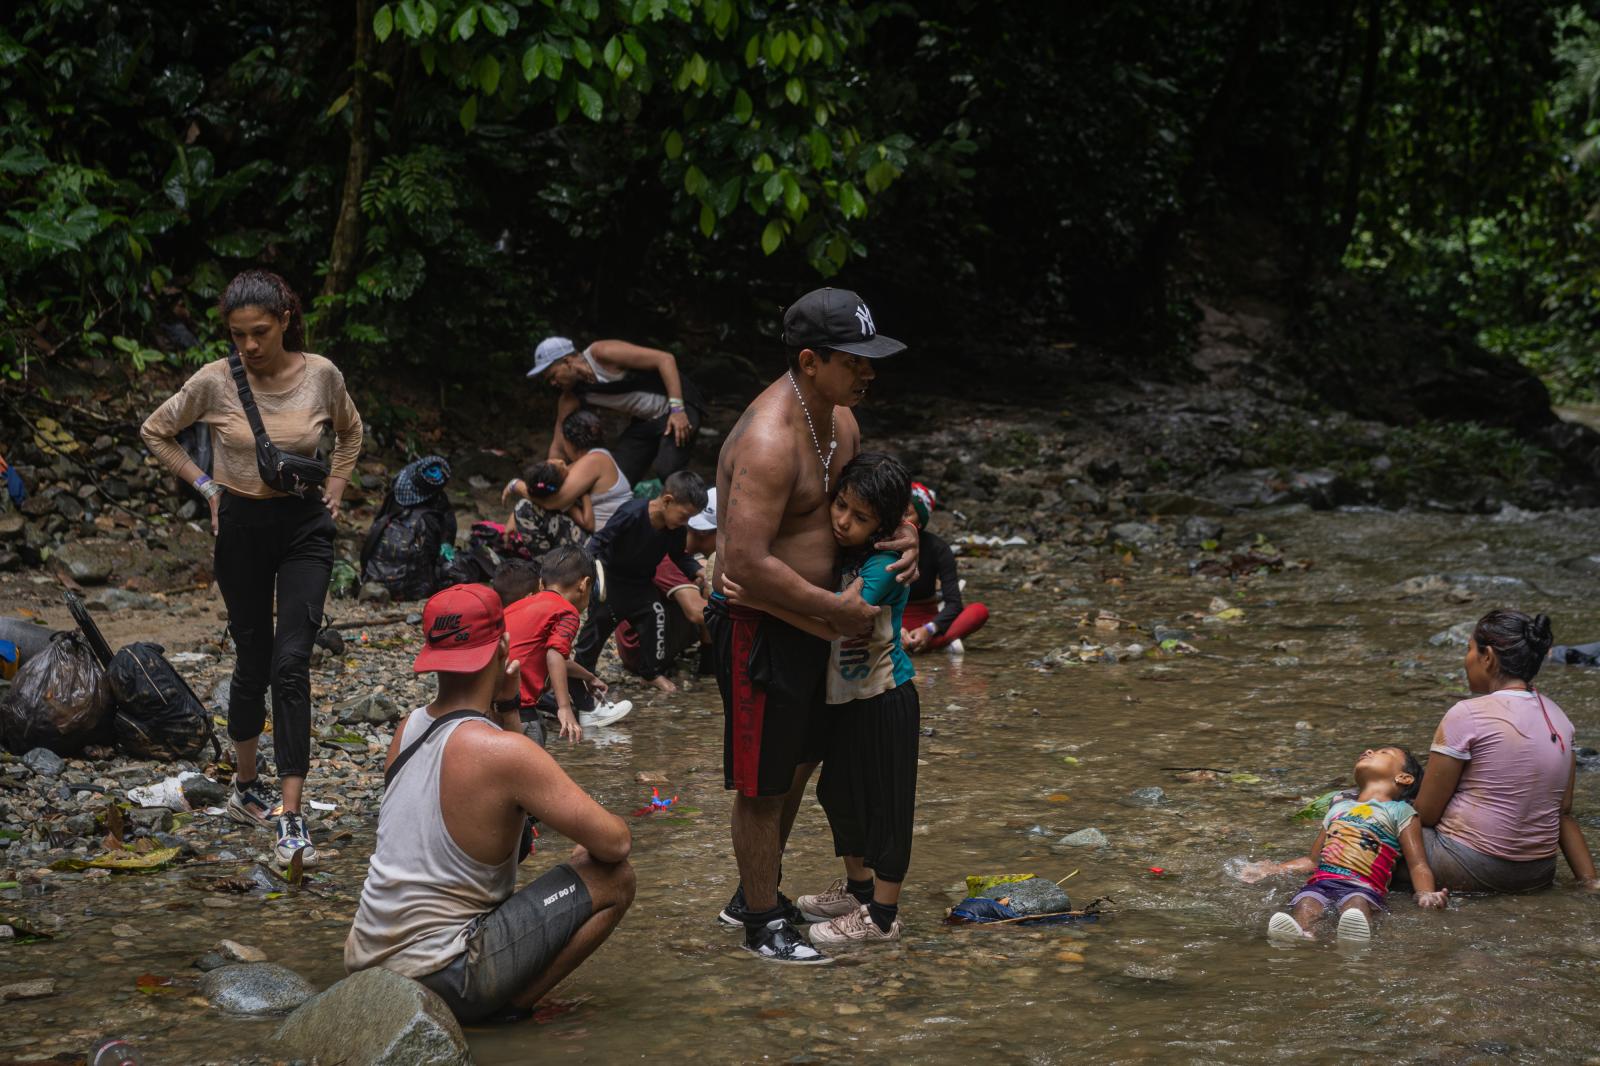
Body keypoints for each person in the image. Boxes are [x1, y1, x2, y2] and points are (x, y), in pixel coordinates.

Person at [708, 286, 919, 964]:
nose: (868, 372)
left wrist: (908, 534)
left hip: (819, 628)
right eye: (856, 361)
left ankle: (755, 891)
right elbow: (743, 561)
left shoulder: (841, 421)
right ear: (809, 360)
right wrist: (837, 611)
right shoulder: (770, 441)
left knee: (799, 768)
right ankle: (761, 924)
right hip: (763, 631)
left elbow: (869, 502)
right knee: (762, 782)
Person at [140, 269, 361, 867]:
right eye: (237, 336)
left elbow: (350, 433)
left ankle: (291, 816)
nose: (248, 347)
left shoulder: (321, 375)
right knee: (253, 656)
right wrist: (209, 487)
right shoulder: (213, 381)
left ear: (286, 320)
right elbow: (157, 431)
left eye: (259, 333)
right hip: (238, 530)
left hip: (304, 532)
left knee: (291, 664)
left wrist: (337, 485)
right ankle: (244, 788)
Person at [344, 583, 635, 1024]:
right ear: (503, 647)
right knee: (613, 878)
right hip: (446, 973)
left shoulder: (408, 728)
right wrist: (588, 851)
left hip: (367, 965)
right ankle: (511, 1011)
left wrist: (505, 708)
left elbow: (509, 822)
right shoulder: (503, 753)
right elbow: (616, 843)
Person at [727, 454, 922, 946]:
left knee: (888, 803)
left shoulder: (881, 565)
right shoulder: (854, 551)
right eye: (841, 507)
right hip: (850, 698)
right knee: (838, 792)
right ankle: (858, 889)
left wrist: (761, 601)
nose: (842, 521)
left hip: (885, 695)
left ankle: (881, 916)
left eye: (859, 519)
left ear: (884, 525)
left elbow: (840, 620)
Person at [1408, 609, 1599, 893]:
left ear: (1488, 657)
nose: (1466, 659)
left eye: (1469, 649)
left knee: (1360, 816)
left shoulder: (1466, 714)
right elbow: (1562, 812)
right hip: (1537, 873)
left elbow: (1427, 814)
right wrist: (1589, 880)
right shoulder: (1560, 719)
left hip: (1466, 864)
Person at [1245, 746, 1447, 942]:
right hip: (1322, 881)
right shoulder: (1338, 807)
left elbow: (1418, 864)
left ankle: (1355, 936)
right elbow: (1312, 860)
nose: (1369, 751)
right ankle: (1303, 933)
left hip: (1363, 886)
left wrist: (1426, 894)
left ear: (1403, 778)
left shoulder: (1401, 812)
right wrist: (1274, 869)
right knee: (1307, 902)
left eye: (1383, 752)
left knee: (1356, 905)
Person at [571, 470, 707, 696]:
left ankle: (650, 672)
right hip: (612, 580)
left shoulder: (675, 530)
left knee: (656, 616)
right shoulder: (632, 513)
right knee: (597, 628)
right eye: (684, 515)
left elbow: (679, 556)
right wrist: (585, 572)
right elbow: (600, 541)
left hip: (641, 584)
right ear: (667, 501)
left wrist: (697, 570)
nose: (686, 522)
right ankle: (581, 674)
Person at [527, 336, 706, 486]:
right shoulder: (571, 397)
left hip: (680, 404)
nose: (552, 383)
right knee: (618, 477)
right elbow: (558, 444)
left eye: (552, 376)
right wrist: (547, 480)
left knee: (668, 469)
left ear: (567, 362)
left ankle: (701, 511)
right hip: (647, 421)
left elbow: (665, 359)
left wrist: (677, 409)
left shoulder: (601, 353)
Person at [500, 546, 632, 744]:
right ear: (584, 585)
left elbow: (556, 658)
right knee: (533, 765)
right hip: (521, 709)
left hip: (493, 704)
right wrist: (564, 708)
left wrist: (589, 677)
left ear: (542, 583)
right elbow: (554, 656)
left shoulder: (519, 606)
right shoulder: (565, 611)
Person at [503, 409, 632, 534]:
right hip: (610, 536)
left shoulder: (594, 461)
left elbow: (551, 502)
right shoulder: (593, 459)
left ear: (569, 442)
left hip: (609, 542)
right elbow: (544, 490)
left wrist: (515, 486)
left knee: (527, 508)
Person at [900, 482, 988, 655]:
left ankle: (928, 642)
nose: (899, 520)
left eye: (906, 514)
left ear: (920, 522)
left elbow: (954, 604)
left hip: (927, 621)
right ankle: (939, 645)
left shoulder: (938, 549)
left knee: (979, 611)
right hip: (889, 621)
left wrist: (929, 629)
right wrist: (895, 629)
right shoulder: (879, 544)